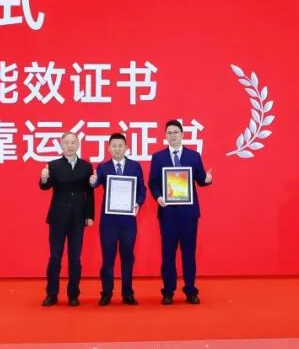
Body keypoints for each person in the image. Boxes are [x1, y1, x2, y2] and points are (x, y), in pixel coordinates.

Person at [148, 120, 212, 305]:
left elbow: (200, 180)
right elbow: (153, 182)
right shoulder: (158, 157)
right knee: (168, 254)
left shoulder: (193, 156)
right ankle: (168, 291)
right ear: (165, 136)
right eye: (169, 133)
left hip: (189, 214)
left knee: (189, 253)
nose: (173, 135)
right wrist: (158, 196)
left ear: (182, 134)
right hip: (167, 213)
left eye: (176, 132)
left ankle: (190, 290)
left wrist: (207, 179)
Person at [89, 133, 146, 305]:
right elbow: (95, 184)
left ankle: (127, 293)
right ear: (109, 148)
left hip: (128, 220)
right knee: (108, 257)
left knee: (127, 257)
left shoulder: (135, 166)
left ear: (126, 147)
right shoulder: (103, 167)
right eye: (114, 146)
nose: (117, 149)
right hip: (109, 221)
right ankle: (106, 293)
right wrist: (92, 181)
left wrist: (138, 203)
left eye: (120, 146)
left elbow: (142, 189)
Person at [39, 132, 94, 306]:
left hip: (78, 217)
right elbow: (45, 187)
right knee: (55, 257)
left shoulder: (86, 166)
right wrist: (44, 178)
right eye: (67, 143)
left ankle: (73, 294)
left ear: (78, 145)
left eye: (73, 142)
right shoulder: (53, 165)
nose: (70, 145)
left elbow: (89, 193)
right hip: (58, 217)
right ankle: (51, 294)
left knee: (75, 258)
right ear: (61, 145)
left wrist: (90, 215)